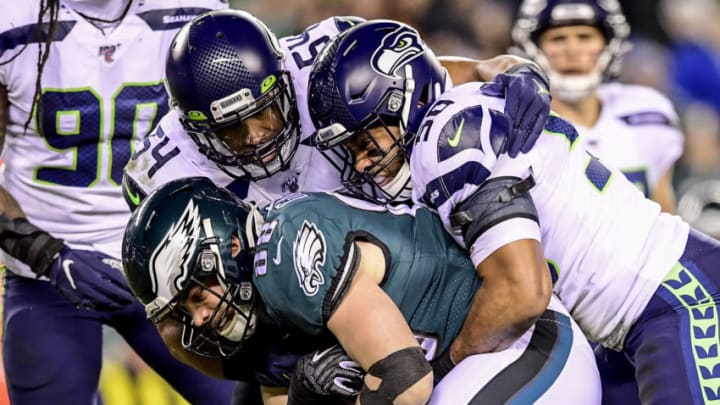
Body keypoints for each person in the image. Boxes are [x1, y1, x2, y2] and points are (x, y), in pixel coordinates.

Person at [120, 7, 552, 383]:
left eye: (262, 113)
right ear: (196, 132)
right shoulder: (167, 169)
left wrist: (514, 70)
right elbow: (171, 318)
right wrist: (250, 364)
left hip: (409, 269)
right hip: (282, 315)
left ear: (285, 79)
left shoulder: (319, 63)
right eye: (231, 130)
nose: (255, 138)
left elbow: (437, 75)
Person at [307, 18, 720, 405]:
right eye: (350, 148)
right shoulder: (451, 118)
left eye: (367, 139)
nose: (362, 162)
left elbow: (520, 293)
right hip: (645, 312)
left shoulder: (448, 139)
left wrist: (447, 363)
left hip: (679, 298)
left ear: (410, 98)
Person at [121, 175, 601, 404]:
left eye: (196, 295)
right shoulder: (253, 315)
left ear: (226, 247)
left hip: (518, 346)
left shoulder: (284, 257)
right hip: (451, 370)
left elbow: (404, 380)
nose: (200, 318)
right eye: (183, 309)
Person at [0, 1, 238, 404]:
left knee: (252, 394)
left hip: (179, 260)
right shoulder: (13, 19)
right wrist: (48, 256)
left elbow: (244, 141)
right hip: (48, 273)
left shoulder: (194, 10)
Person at [511, 0, 684, 213]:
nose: (572, 50)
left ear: (609, 44)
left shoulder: (648, 112)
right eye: (558, 39)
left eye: (585, 37)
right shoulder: (517, 124)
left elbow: (666, 223)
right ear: (533, 48)